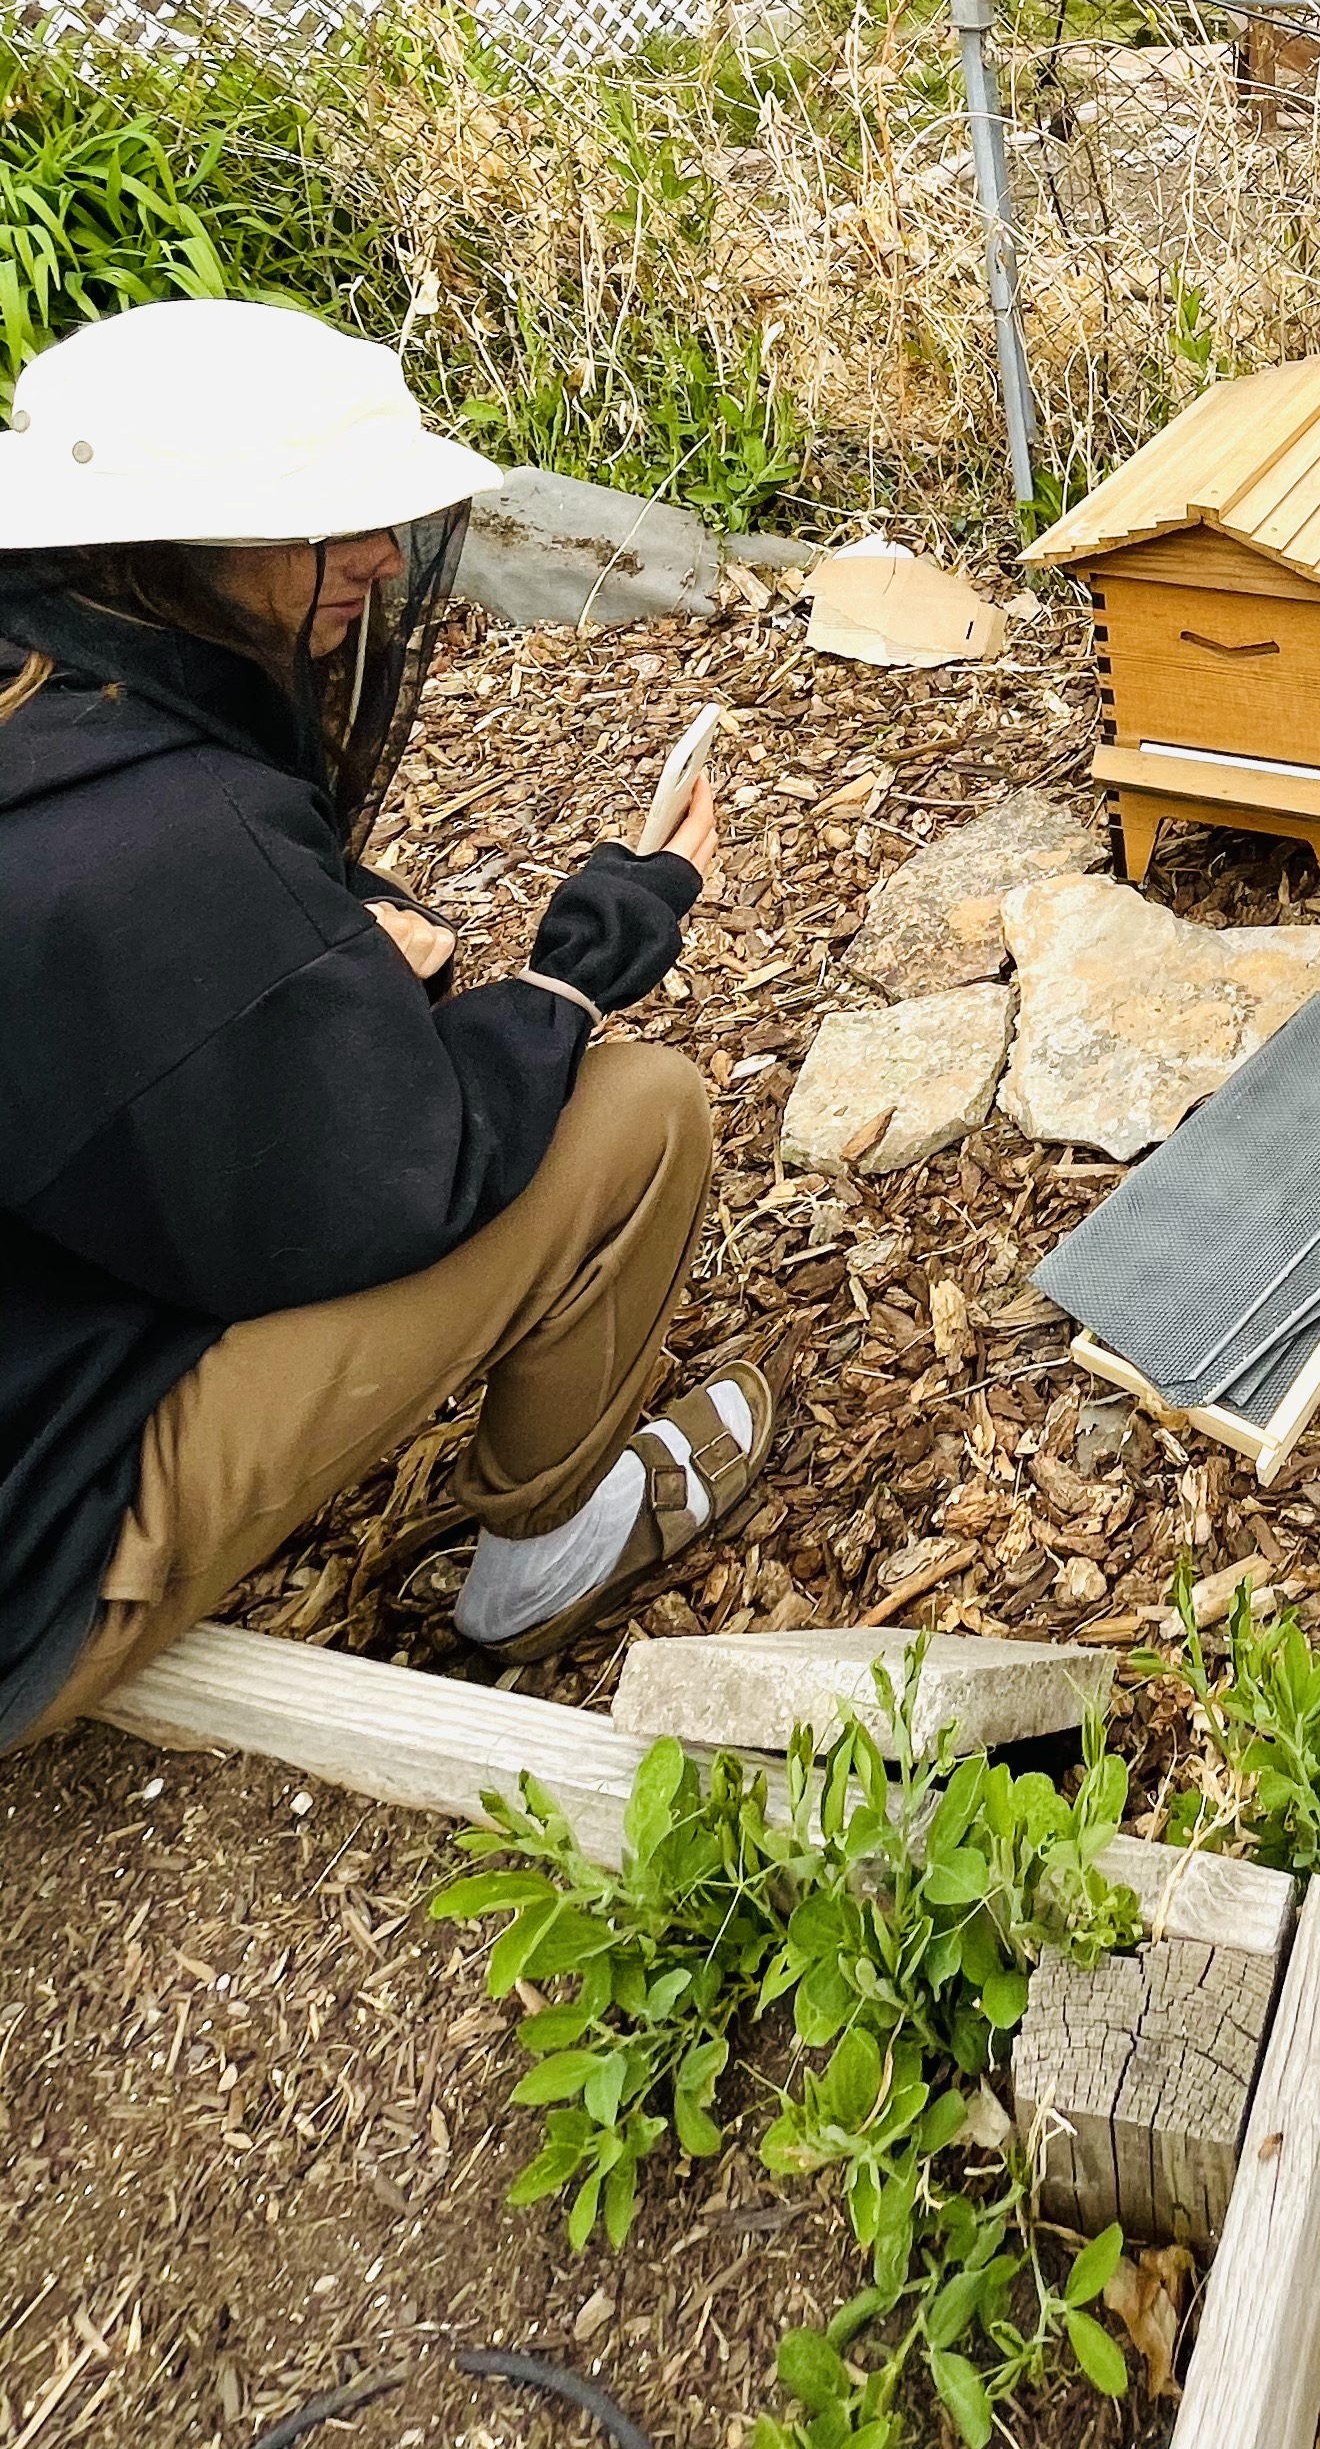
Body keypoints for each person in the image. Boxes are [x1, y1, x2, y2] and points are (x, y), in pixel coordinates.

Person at [0, 297, 775, 1744]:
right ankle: (548, 1556)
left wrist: (312, 938)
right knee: (638, 1111)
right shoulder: (171, 848)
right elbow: (392, 1178)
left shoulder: (46, 699)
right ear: (171, 539)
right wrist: (580, 960)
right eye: (322, 524)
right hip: (36, 1563)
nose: (377, 556)